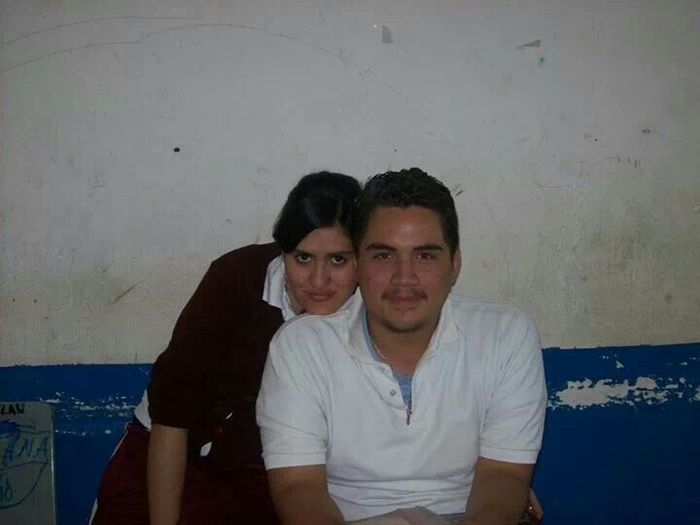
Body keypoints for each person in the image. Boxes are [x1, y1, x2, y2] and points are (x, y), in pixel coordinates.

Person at [256, 168, 547, 524]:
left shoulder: (505, 336)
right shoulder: (301, 346)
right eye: (384, 256)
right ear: (358, 263)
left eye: (425, 256)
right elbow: (298, 487)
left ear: (454, 264)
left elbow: (504, 476)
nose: (403, 279)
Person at [91, 171, 361, 525]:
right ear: (283, 251)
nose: (319, 280)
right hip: (169, 452)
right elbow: (172, 418)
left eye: (338, 260)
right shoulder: (235, 280)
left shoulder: (375, 307)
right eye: (303, 258)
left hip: (271, 471)